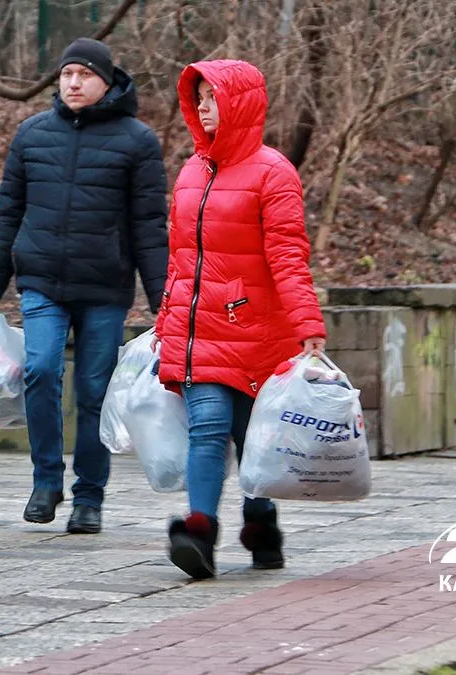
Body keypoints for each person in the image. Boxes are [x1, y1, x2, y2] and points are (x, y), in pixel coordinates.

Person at [0, 38, 169, 534]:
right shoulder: (32, 135)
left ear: (106, 80)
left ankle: (90, 498)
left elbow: (150, 228)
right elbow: (7, 215)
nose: (74, 83)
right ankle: (46, 479)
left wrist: (165, 301)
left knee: (94, 391)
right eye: (66, 74)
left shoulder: (137, 141)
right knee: (39, 370)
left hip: (105, 287)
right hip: (42, 281)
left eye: (83, 74)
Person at [154, 60, 327, 579]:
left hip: (256, 331)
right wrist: (165, 322)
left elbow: (288, 255)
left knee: (253, 438)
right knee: (207, 428)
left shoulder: (274, 173)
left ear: (239, 103)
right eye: (199, 97)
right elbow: (179, 258)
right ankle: (200, 531)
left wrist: (307, 325)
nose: (203, 106)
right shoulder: (190, 171)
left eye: (212, 97)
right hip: (198, 331)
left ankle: (260, 521)